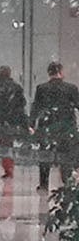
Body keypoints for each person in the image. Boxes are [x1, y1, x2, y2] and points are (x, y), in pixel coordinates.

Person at [35, 62, 79, 190]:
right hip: (66, 128)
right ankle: (67, 182)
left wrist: (32, 124)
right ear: (60, 72)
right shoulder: (71, 88)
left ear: (49, 73)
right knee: (66, 156)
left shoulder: (41, 88)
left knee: (45, 155)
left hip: (47, 127)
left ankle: (44, 184)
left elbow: (36, 107)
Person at [0, 66, 29, 180]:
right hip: (14, 120)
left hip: (2, 120)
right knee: (10, 143)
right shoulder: (16, 87)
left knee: (4, 144)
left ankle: (7, 168)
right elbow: (22, 104)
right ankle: (10, 167)